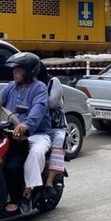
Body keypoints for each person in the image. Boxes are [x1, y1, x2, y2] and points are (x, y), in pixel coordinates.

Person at [0, 51, 50, 214]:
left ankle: (27, 192)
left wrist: (27, 124)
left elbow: (38, 109)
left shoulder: (39, 88)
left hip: (37, 134)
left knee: (34, 154)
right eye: (14, 69)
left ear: (29, 71)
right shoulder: (10, 87)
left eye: (18, 69)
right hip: (11, 133)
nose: (14, 72)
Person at [36, 62, 66, 195]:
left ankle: (49, 180)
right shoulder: (29, 85)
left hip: (56, 126)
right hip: (38, 124)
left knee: (57, 149)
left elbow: (50, 103)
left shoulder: (53, 82)